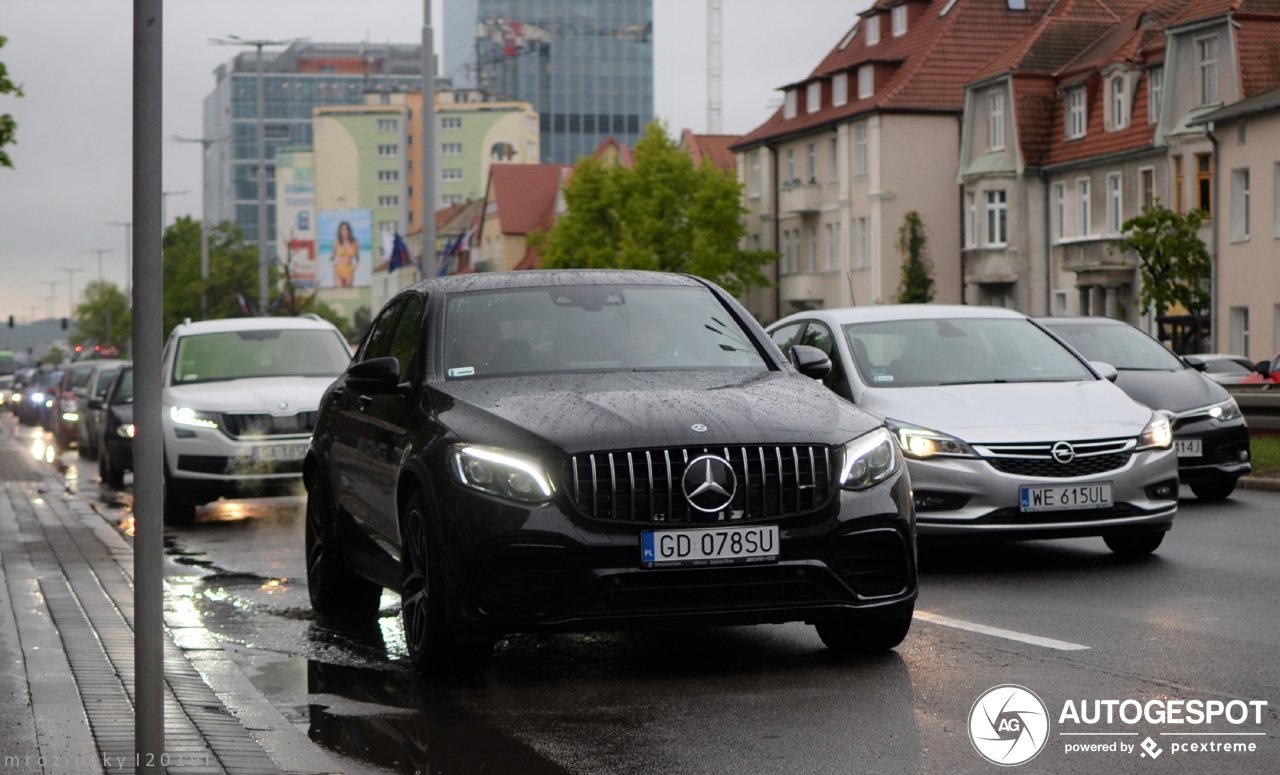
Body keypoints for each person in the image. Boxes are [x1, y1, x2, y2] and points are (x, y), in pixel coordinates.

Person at [330, 221, 359, 288]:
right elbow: (332, 257)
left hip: (349, 269)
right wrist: (333, 266)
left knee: (348, 291)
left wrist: (355, 267)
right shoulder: (337, 243)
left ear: (349, 230)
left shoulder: (354, 243)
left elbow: (357, 257)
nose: (344, 231)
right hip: (339, 269)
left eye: (346, 229)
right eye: (342, 229)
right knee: (340, 291)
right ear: (340, 231)